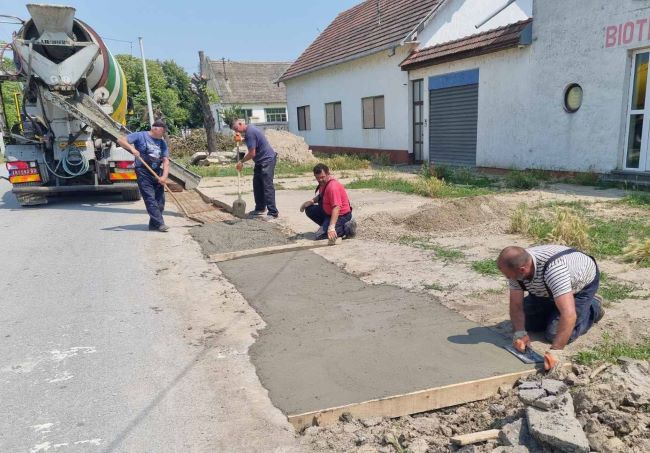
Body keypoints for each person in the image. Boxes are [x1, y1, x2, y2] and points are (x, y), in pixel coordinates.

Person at [496, 245, 605, 371]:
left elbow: (569, 314)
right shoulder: (516, 269)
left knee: (554, 333)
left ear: (522, 270)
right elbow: (516, 305)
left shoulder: (555, 270)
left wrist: (556, 351)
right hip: (547, 288)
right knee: (526, 322)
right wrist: (520, 333)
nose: (508, 279)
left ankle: (593, 307)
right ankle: (556, 305)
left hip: (579, 287)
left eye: (509, 276)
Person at [117, 120, 170, 232]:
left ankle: (153, 225)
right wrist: (132, 149)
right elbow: (120, 140)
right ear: (156, 129)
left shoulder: (162, 143)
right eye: (163, 131)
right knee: (150, 198)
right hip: (143, 172)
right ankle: (160, 224)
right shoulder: (140, 135)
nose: (164, 134)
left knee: (160, 202)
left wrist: (164, 177)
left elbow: (166, 161)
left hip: (156, 172)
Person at [230, 119, 279, 220]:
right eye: (234, 130)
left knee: (267, 186)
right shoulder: (249, 131)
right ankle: (260, 208)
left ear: (240, 124)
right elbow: (251, 141)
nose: (236, 132)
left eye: (236, 129)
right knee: (257, 184)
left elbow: (252, 153)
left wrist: (241, 162)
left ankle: (273, 212)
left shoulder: (250, 132)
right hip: (259, 162)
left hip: (267, 160)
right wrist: (241, 140)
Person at [300, 163, 357, 241]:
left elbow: (336, 207)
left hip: (342, 216)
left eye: (322, 177)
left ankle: (347, 228)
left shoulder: (333, 187)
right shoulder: (323, 183)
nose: (320, 180)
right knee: (309, 209)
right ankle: (327, 226)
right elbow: (321, 195)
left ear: (328, 174)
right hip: (328, 213)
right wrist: (311, 201)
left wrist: (331, 227)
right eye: (317, 178)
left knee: (320, 236)